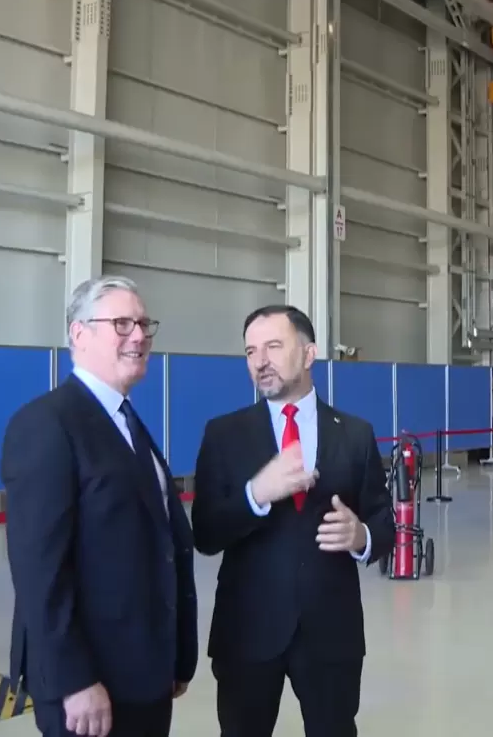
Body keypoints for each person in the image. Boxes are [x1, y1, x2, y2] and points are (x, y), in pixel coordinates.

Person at [1, 276, 198, 737]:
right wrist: (74, 680)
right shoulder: (46, 424)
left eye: (144, 324)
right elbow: (39, 570)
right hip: (89, 685)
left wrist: (174, 655)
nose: (139, 336)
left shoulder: (127, 422)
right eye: (122, 323)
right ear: (79, 333)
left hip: (143, 670)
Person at [191, 305, 394, 737]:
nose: (260, 361)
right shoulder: (223, 434)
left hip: (331, 632)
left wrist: (361, 536)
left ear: (308, 353)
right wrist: (255, 495)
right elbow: (205, 533)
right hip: (247, 632)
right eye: (250, 351)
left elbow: (384, 524)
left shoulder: (355, 434)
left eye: (273, 346)